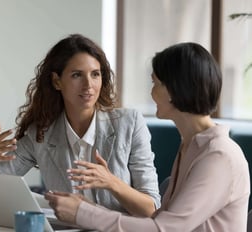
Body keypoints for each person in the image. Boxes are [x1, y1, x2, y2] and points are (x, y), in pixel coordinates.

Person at [45, 42, 250, 231]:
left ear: (174, 89)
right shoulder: (191, 146)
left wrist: (84, 213)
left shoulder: (218, 156)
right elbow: (160, 220)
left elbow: (164, 229)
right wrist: (90, 208)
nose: (151, 93)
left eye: (155, 83)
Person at [0, 33, 161, 217]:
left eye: (95, 74)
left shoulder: (130, 123)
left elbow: (151, 208)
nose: (88, 85)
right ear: (57, 81)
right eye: (77, 75)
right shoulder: (41, 134)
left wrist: (111, 183)